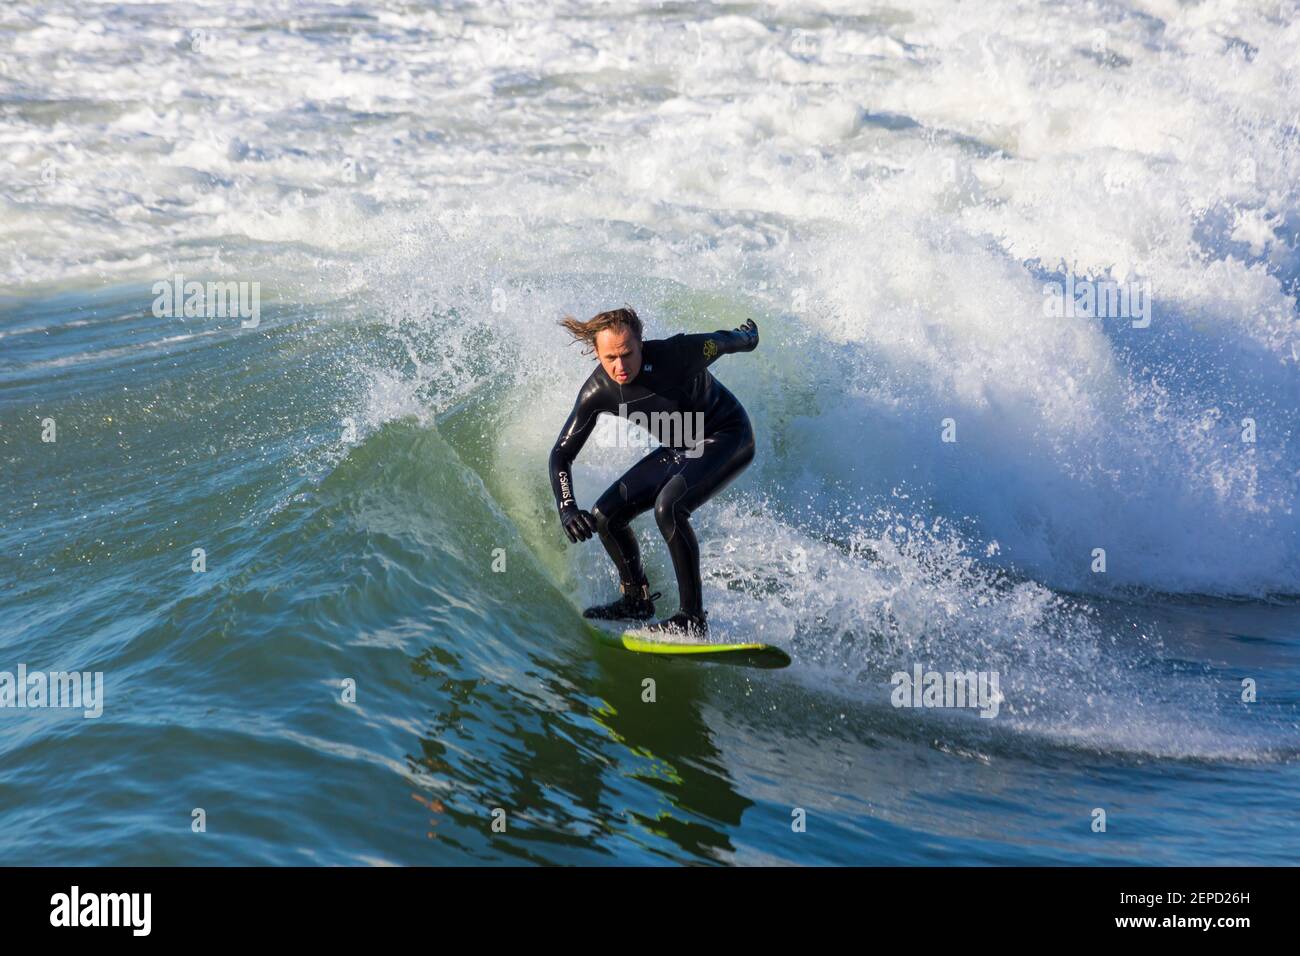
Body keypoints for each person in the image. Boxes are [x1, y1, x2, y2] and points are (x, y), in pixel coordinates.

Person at [548, 307, 758, 637]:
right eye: (610, 357)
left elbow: (719, 342)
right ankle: (636, 600)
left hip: (727, 434)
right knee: (606, 514)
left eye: (627, 354)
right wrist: (568, 507)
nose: (619, 366)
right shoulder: (598, 391)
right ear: (597, 354)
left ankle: (692, 619)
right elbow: (561, 454)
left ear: (641, 343)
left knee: (669, 507)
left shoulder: (676, 356)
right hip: (680, 448)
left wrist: (747, 339)